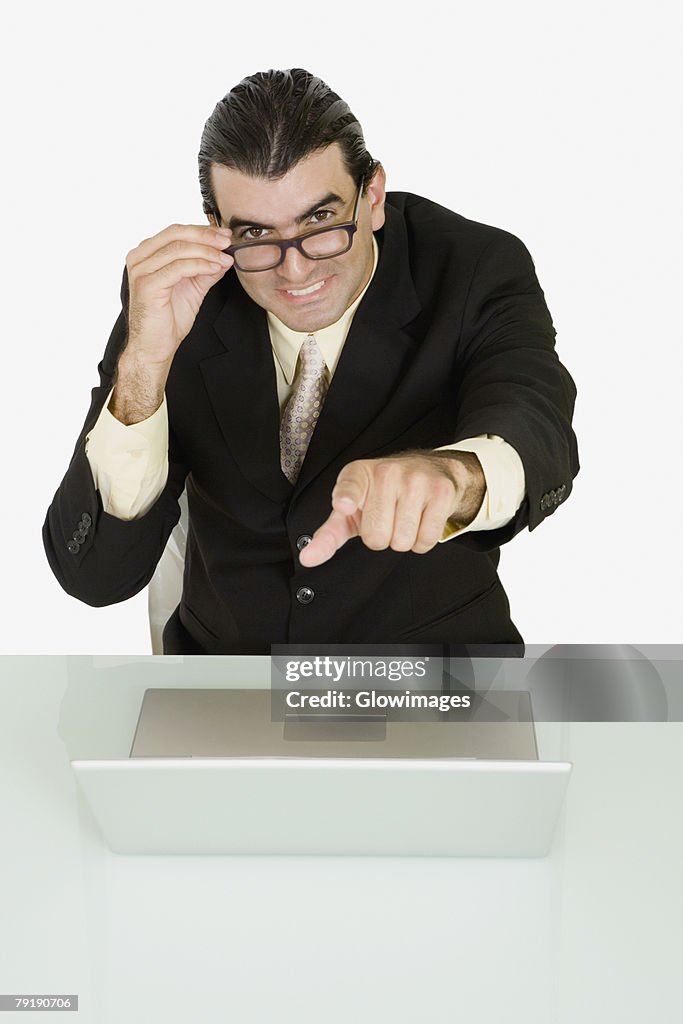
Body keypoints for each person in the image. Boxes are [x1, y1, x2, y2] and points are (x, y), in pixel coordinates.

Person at [43, 68, 579, 654]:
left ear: (372, 197)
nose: (294, 271)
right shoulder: (178, 295)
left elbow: (535, 422)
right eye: (255, 233)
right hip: (224, 681)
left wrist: (456, 476)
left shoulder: (475, 266)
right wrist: (144, 364)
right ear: (216, 227)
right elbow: (96, 576)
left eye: (320, 221)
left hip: (433, 674)